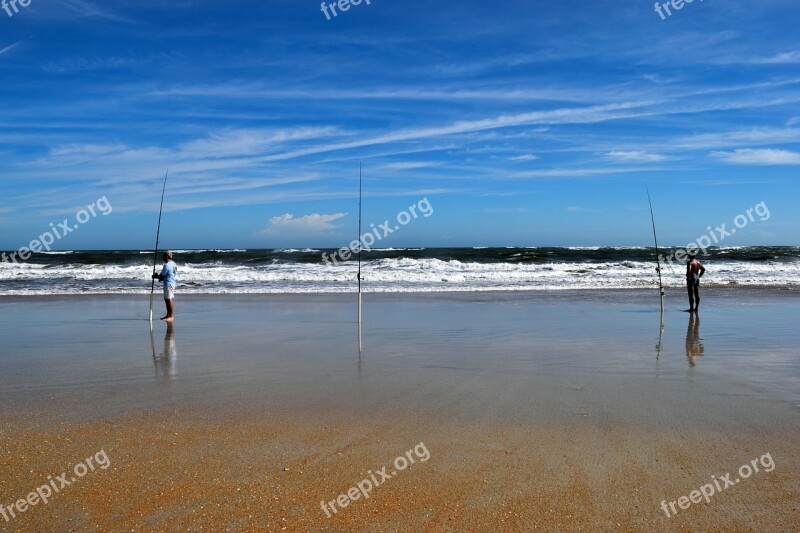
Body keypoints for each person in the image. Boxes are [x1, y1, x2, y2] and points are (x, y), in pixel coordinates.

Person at [152, 251, 177, 321]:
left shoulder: (167, 265)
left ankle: (171, 316)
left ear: (167, 256)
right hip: (172, 282)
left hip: (168, 284)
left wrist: (155, 276)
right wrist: (160, 277)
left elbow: (162, 276)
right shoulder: (174, 264)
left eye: (163, 256)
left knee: (169, 299)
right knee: (168, 299)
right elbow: (173, 273)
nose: (162, 257)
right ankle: (168, 315)